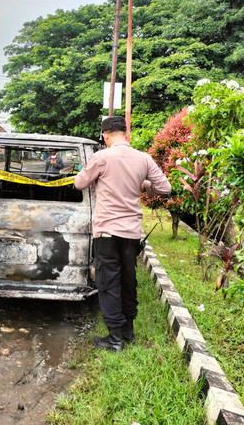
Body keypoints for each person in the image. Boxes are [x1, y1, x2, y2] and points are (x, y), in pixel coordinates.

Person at [74, 116, 172, 352]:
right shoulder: (143, 158)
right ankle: (128, 332)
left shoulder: (102, 157)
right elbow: (165, 188)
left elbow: (79, 183)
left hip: (107, 232)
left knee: (108, 282)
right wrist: (144, 184)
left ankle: (115, 339)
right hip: (131, 233)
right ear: (125, 134)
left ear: (105, 135)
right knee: (128, 281)